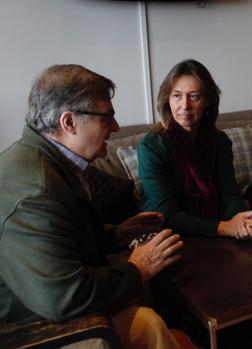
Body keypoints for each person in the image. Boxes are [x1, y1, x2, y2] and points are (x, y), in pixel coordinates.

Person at [0, 64, 185, 348]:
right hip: (24, 324)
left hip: (39, 303)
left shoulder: (49, 161)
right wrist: (138, 268)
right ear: (69, 122)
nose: (116, 127)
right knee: (147, 324)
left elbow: (58, 238)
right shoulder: (36, 193)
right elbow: (62, 297)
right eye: (107, 117)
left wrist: (113, 234)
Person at [138, 59, 252, 239]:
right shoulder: (152, 147)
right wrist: (225, 227)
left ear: (208, 101)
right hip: (164, 236)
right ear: (167, 100)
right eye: (177, 96)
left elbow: (229, 194)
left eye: (194, 96)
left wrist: (240, 220)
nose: (185, 106)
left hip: (213, 230)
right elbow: (167, 215)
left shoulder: (219, 141)